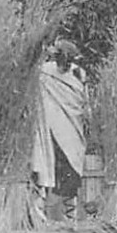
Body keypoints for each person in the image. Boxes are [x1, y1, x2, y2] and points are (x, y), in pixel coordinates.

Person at [34, 36, 87, 220]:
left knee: (72, 175)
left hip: (72, 130)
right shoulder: (45, 72)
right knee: (52, 172)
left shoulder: (78, 74)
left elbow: (80, 101)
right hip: (51, 130)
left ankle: (70, 217)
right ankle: (45, 213)